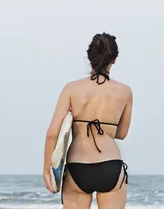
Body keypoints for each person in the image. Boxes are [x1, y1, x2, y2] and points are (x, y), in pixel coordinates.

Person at [43, 32, 133, 209]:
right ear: (113, 60)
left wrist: (47, 170)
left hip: (78, 167)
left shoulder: (71, 88)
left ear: (90, 57)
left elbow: (52, 134)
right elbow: (121, 134)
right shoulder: (125, 91)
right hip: (111, 166)